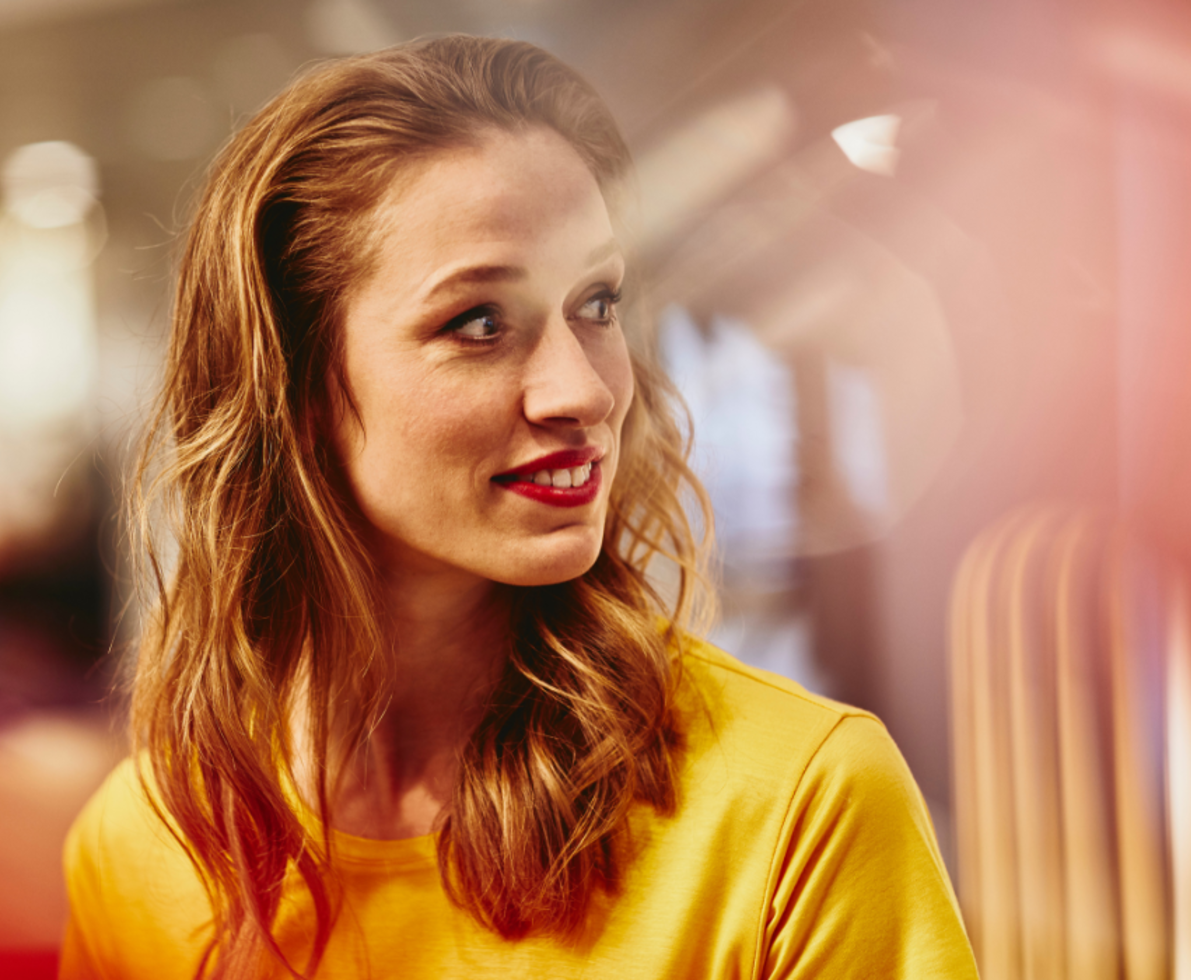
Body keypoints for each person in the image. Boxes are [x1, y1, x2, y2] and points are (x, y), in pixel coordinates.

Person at [61, 35, 978, 979]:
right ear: (294, 391)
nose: (580, 391)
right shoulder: (145, 850)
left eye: (596, 303)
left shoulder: (800, 803)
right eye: (479, 322)